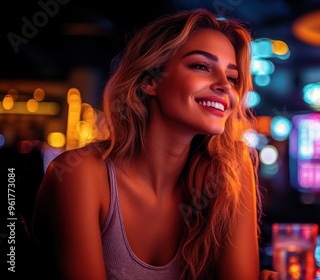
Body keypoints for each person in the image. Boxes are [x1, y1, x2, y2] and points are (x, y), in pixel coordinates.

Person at [32, 8, 277, 280]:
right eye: (201, 66)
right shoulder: (79, 174)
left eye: (232, 78)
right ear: (150, 80)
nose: (224, 86)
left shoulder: (230, 171)